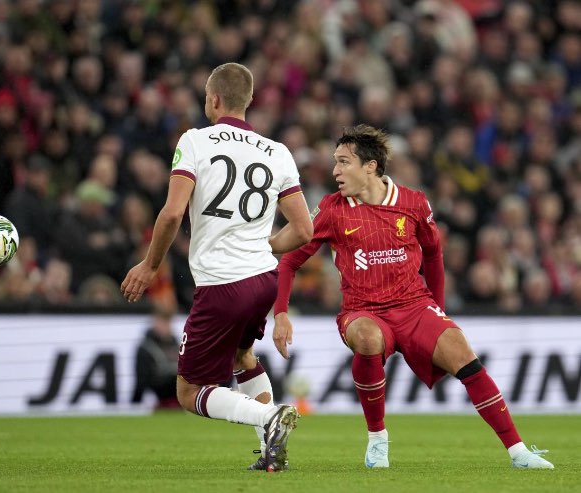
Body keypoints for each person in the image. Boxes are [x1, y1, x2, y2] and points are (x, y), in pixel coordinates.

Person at [273, 124, 554, 470]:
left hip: (415, 306)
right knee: (368, 338)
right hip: (363, 310)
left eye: (344, 162)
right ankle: (377, 439)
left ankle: (518, 451)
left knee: (462, 352)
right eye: (335, 162)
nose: (335, 171)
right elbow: (290, 261)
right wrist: (281, 313)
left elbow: (434, 255)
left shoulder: (413, 202)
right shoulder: (332, 209)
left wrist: (438, 308)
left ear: (370, 167)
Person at [121, 63, 313, 472]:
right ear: (250, 101)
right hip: (264, 279)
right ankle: (271, 450)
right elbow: (304, 230)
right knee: (243, 356)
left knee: (190, 391)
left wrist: (150, 264)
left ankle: (269, 416)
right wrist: (264, 246)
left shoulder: (195, 141)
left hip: (222, 284)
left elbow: (172, 214)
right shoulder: (277, 151)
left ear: (213, 99)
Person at [131, 305, 181, 409]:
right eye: (161, 322)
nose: (165, 326)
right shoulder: (145, 348)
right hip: (159, 391)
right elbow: (141, 381)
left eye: (167, 322)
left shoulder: (176, 344)